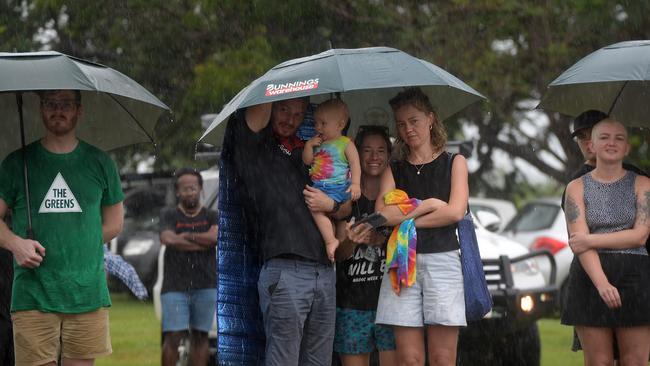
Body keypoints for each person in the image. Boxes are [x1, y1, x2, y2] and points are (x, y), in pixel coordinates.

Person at [0, 89, 124, 366]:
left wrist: (75, 238)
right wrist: (16, 244)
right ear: (40, 109)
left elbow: (114, 224)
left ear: (79, 110)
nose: (59, 110)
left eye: (66, 104)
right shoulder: (16, 163)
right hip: (32, 295)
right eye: (51, 103)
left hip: (87, 294)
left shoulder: (100, 163)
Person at [351, 87, 469, 366]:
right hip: (402, 264)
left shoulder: (454, 162)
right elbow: (381, 214)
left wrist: (405, 221)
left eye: (414, 121)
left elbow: (454, 212)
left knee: (442, 358)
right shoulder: (395, 168)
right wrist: (428, 204)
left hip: (443, 261)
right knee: (409, 359)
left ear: (431, 119)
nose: (407, 129)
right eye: (401, 124)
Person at [230, 98, 349, 366]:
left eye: (298, 114)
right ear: (271, 107)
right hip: (285, 268)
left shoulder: (311, 152)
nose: (290, 119)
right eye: (284, 109)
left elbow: (344, 207)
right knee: (283, 360)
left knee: (319, 362)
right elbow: (257, 116)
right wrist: (277, 86)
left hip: (325, 269)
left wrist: (331, 204)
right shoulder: (254, 146)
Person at [562, 118, 650, 366]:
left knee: (634, 361)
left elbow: (640, 235)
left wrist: (591, 238)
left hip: (636, 278)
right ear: (592, 145)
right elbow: (578, 245)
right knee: (598, 361)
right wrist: (602, 284)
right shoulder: (575, 187)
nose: (612, 142)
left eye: (619, 138)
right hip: (590, 278)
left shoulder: (643, 184)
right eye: (604, 137)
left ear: (627, 148)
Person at [334, 126, 396, 366]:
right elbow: (338, 254)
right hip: (352, 304)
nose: (374, 157)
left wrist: (384, 238)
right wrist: (351, 240)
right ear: (356, 155)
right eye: (367, 150)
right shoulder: (346, 198)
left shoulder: (397, 197)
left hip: (392, 304)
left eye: (381, 150)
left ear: (389, 156)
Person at [159, 168, 218, 366]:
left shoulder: (212, 215)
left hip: (205, 284)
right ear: (177, 192)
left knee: (201, 336)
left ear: (201, 189)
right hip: (175, 286)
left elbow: (215, 238)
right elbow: (167, 238)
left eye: (193, 187)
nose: (189, 192)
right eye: (185, 189)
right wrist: (201, 242)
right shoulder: (168, 214)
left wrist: (186, 236)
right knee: (174, 335)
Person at [303, 99, 361, 261]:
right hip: (320, 187)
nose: (318, 127)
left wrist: (356, 183)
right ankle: (333, 242)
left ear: (340, 125)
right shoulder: (318, 143)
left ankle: (331, 241)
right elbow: (307, 161)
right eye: (316, 123)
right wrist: (308, 147)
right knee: (317, 209)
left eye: (323, 123)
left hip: (338, 187)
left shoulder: (346, 143)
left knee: (320, 211)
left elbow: (355, 164)